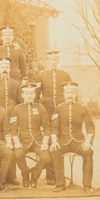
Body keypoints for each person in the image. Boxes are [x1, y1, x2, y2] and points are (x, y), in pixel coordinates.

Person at [50, 81, 95, 193]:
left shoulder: (82, 108)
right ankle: (60, 184)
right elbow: (54, 127)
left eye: (72, 92)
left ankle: (87, 185)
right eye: (67, 92)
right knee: (55, 151)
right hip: (63, 142)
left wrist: (88, 142)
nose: (69, 95)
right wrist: (54, 141)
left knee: (88, 151)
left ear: (75, 94)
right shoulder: (58, 109)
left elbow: (90, 126)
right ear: (64, 94)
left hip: (78, 142)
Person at [34, 50, 72, 185]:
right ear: (47, 61)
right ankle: (50, 175)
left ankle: (59, 174)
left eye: (56, 59)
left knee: (60, 141)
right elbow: (36, 96)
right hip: (47, 112)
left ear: (58, 60)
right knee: (49, 141)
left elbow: (71, 95)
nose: (53, 62)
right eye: (51, 59)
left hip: (62, 113)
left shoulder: (65, 75)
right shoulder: (41, 76)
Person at [10, 83, 52, 188]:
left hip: (38, 141)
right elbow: (13, 129)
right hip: (23, 141)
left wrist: (45, 142)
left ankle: (34, 174)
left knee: (46, 158)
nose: (29, 96)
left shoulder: (40, 108)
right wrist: (17, 142)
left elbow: (47, 127)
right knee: (17, 155)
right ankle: (25, 173)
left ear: (34, 95)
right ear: (23, 95)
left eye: (31, 93)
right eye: (27, 93)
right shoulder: (17, 109)